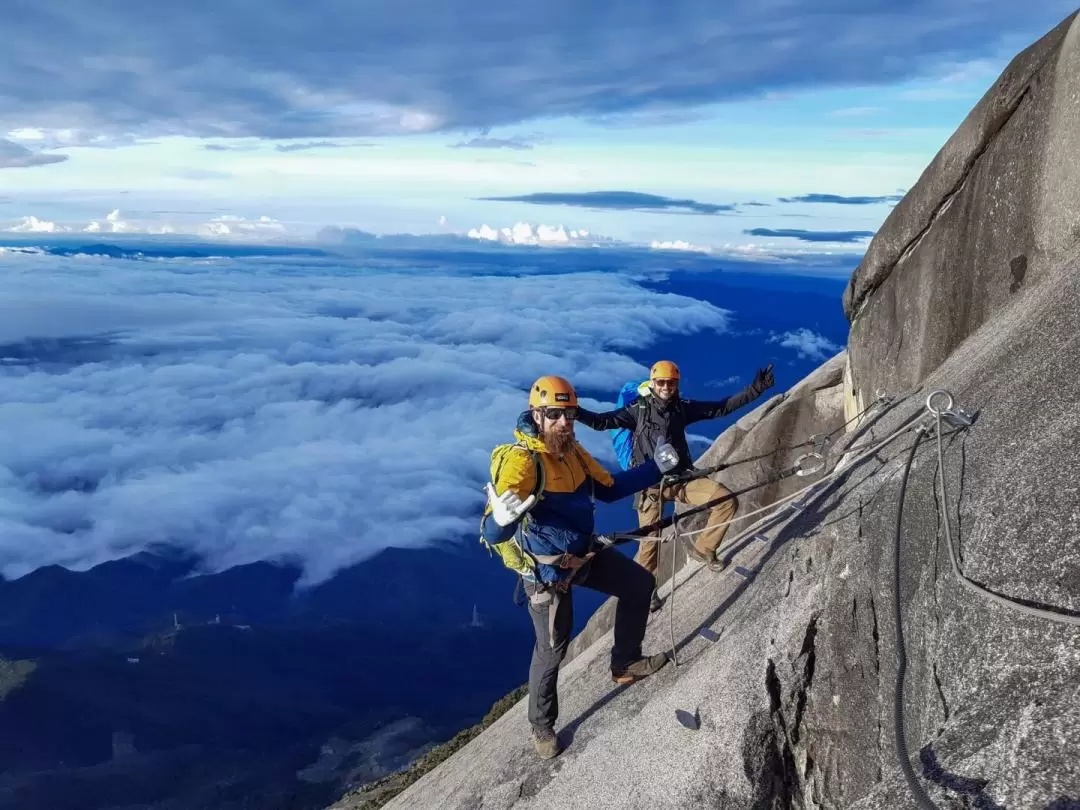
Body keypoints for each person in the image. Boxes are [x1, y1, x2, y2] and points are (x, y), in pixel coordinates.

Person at [481, 375, 680, 760]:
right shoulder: (523, 462)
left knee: (639, 585)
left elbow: (607, 488)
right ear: (537, 416)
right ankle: (542, 725)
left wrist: (656, 467)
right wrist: (500, 522)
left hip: (583, 556)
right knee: (553, 648)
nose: (564, 422)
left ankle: (625, 662)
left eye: (569, 413)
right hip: (546, 575)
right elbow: (494, 531)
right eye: (554, 414)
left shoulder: (572, 452)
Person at [576, 360, 775, 609]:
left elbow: (721, 408)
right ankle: (645, 592)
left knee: (725, 501)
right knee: (650, 544)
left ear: (676, 384)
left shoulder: (682, 408)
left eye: (671, 383)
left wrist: (755, 390)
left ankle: (704, 549)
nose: (666, 387)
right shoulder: (638, 411)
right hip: (649, 488)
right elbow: (601, 422)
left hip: (679, 480)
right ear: (652, 384)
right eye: (661, 382)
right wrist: (574, 411)